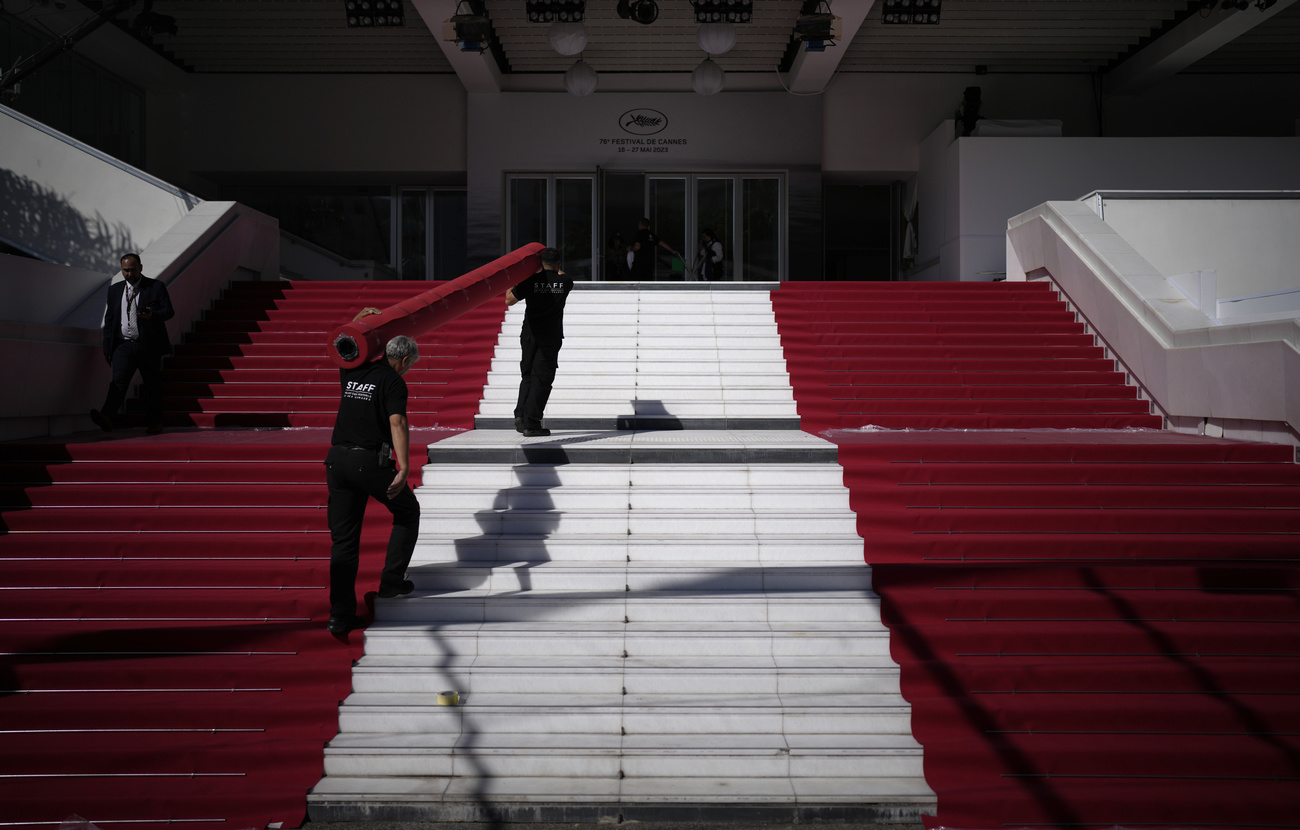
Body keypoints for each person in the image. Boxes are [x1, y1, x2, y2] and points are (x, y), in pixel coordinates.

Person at [324, 317, 421, 635]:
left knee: (344, 541)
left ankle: (340, 614)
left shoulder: (351, 370)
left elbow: (348, 341)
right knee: (407, 511)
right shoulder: (394, 382)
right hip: (368, 464)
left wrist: (364, 325)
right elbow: (398, 424)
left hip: (337, 461)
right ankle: (392, 581)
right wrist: (404, 467)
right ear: (404, 361)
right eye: (408, 366)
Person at [91, 253, 174, 435]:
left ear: (141, 268)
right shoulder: (115, 290)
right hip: (123, 344)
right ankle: (107, 416)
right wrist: (108, 346)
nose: (129, 274)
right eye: (125, 270)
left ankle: (155, 423)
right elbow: (110, 319)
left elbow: (169, 311)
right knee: (118, 382)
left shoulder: (155, 287)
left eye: (132, 270)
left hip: (147, 344)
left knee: (151, 385)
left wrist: (153, 314)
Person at [506, 247, 573, 437]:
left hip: (529, 335)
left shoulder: (531, 281)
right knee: (541, 379)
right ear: (559, 264)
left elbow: (508, 300)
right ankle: (532, 423)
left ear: (540, 264)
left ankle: (520, 414)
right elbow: (561, 274)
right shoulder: (566, 282)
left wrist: (523, 275)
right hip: (549, 338)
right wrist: (553, 269)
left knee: (527, 376)